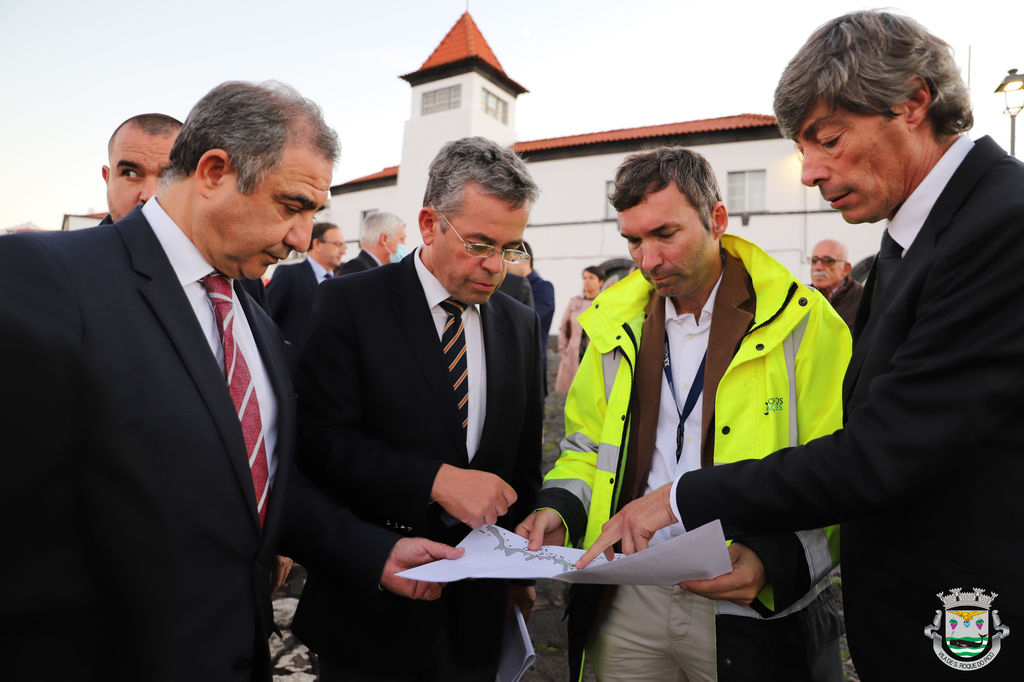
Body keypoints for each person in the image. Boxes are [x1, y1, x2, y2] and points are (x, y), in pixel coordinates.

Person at [579, 11, 1024, 680]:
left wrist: (683, 499)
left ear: (912, 101)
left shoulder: (1000, 224)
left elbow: (879, 452)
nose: (810, 173)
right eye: (803, 149)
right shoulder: (914, 233)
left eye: (829, 138)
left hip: (968, 617)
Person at [0, 80, 459, 682]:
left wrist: (375, 552)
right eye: (292, 206)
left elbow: (254, 485)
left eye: (313, 214)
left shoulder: (253, 316)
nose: (301, 238)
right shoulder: (48, 278)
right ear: (214, 171)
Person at [517, 147, 850, 681]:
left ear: (717, 219)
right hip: (628, 599)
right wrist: (561, 507)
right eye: (633, 240)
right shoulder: (609, 327)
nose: (647, 260)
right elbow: (584, 448)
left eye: (665, 234)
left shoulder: (806, 326)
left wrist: (774, 560)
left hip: (749, 601)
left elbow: (841, 470)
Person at [292, 136, 544, 680]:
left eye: (511, 247)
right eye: (479, 244)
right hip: (371, 608)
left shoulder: (520, 324)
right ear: (429, 224)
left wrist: (519, 568)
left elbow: (522, 460)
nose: (496, 266)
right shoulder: (350, 304)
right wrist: (433, 479)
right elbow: (317, 443)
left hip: (478, 613)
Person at [266, 221, 346, 346]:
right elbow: (267, 318)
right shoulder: (289, 275)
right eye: (337, 244)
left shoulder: (341, 281)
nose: (343, 251)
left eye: (344, 246)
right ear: (317, 244)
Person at [100, 113, 182, 225]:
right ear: (107, 178)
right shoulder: (72, 242)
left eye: (169, 176)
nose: (149, 195)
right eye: (130, 174)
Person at [554, 265, 604, 393]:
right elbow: (563, 328)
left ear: (601, 282)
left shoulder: (605, 303)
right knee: (573, 397)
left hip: (595, 358)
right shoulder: (574, 302)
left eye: (591, 278)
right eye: (584, 278)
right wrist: (563, 351)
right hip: (572, 357)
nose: (587, 281)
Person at [514, 241, 555, 394]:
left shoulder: (542, 288)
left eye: (509, 258)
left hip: (531, 364)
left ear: (525, 259)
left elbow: (531, 322)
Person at [809, 238, 862, 327]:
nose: (818, 267)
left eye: (828, 261)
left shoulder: (864, 299)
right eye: (814, 260)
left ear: (846, 268)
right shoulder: (803, 297)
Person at [337, 210, 407, 275]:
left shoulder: (380, 269)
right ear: (384, 239)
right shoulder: (357, 269)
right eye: (401, 239)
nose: (404, 244)